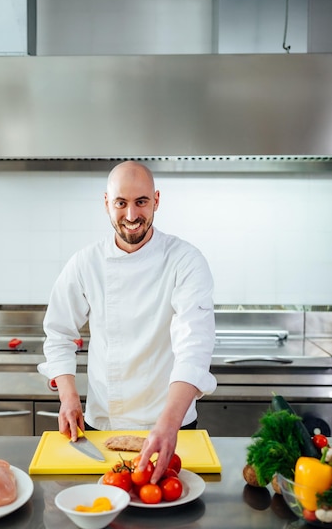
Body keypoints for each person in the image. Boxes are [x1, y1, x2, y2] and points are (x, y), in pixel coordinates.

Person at [38, 161, 216, 482]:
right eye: (121, 203)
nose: (131, 215)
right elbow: (59, 333)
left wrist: (168, 423)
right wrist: (68, 398)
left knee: (170, 520)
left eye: (141, 202)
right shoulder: (85, 263)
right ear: (107, 203)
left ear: (157, 201)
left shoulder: (185, 260)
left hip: (171, 422)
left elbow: (195, 344)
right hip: (102, 423)